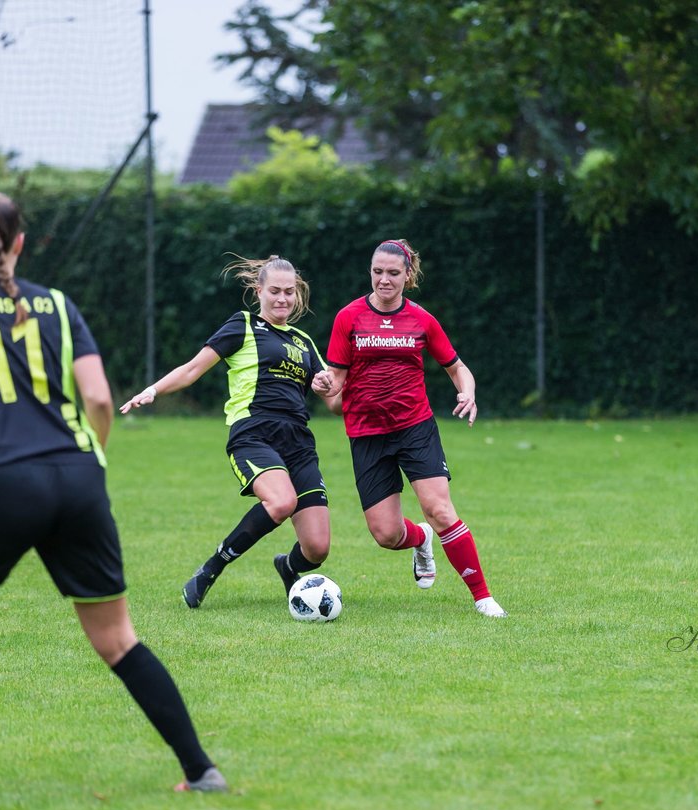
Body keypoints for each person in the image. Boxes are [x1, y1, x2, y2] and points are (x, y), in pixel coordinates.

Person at [0, 189, 227, 793]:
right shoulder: (57, 305)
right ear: (20, 243)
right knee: (118, 639)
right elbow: (99, 399)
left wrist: (0, 448)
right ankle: (201, 771)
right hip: (77, 477)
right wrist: (89, 456)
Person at [120, 255, 334, 607]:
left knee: (317, 548)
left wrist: (327, 384)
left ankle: (288, 567)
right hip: (253, 434)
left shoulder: (303, 341)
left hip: (298, 441)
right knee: (281, 502)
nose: (283, 299)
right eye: (275, 291)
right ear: (258, 290)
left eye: (290, 293)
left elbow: (328, 390)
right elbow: (191, 370)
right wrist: (152, 391)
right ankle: (210, 569)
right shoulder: (243, 325)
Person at [322, 238, 507, 618]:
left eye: (393, 273)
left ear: (408, 275)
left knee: (440, 509)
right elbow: (334, 386)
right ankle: (421, 539)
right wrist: (324, 386)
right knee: (386, 535)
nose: (384, 280)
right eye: (377, 272)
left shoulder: (422, 320)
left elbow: (456, 367)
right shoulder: (348, 318)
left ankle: (483, 598)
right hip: (366, 433)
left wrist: (467, 393)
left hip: (414, 427)